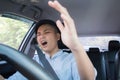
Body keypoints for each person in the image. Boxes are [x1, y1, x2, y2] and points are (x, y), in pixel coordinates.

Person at [0, 0, 97, 80]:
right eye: (38, 34)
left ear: (58, 37)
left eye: (46, 32)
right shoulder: (32, 62)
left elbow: (88, 78)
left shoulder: (71, 59)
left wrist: (76, 47)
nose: (41, 36)